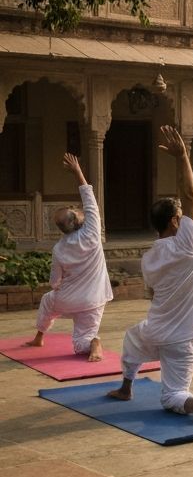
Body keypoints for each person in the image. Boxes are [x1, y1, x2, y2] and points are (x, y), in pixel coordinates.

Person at [108, 126, 193, 423]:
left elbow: (153, 293)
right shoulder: (186, 245)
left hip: (155, 330)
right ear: (175, 222)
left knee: (132, 338)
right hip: (184, 337)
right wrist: (182, 157)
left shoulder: (148, 258)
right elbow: (191, 195)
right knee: (171, 396)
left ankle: (126, 387)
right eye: (181, 216)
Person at [26, 153, 112, 362]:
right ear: (76, 221)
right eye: (75, 210)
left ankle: (39, 338)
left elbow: (54, 282)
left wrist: (59, 289)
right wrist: (77, 171)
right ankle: (93, 342)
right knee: (81, 343)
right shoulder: (92, 233)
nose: (80, 210)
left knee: (48, 301)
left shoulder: (59, 248)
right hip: (94, 299)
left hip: (68, 299)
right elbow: (89, 199)